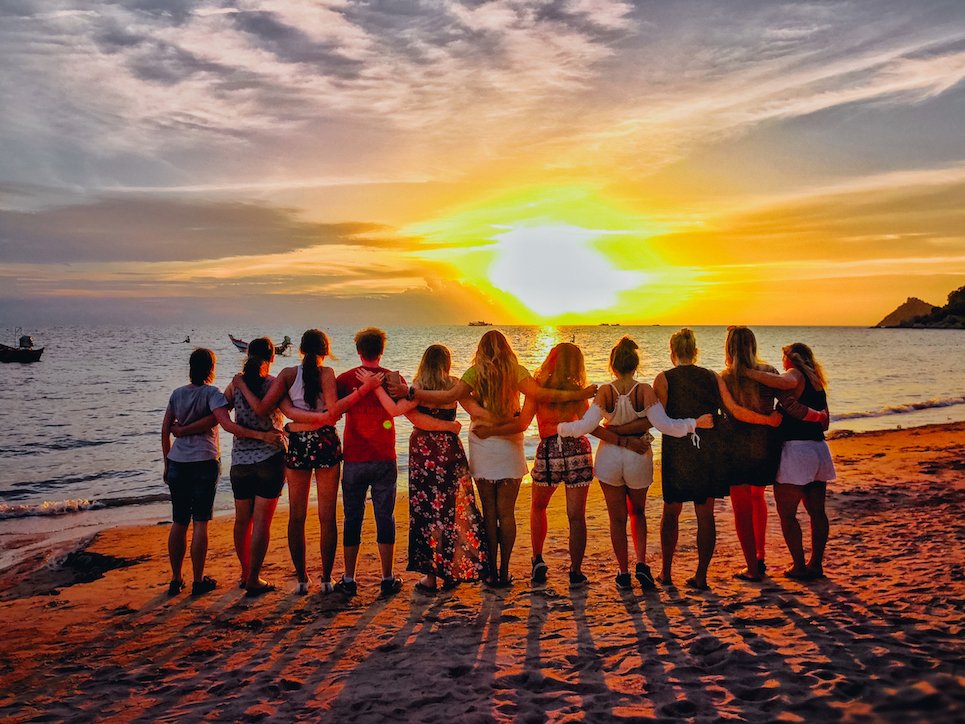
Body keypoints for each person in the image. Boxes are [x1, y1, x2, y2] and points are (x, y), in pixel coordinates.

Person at [392, 330, 595, 587]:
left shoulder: (474, 373)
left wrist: (411, 392)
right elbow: (542, 397)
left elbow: (447, 397)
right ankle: (504, 570)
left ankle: (489, 573)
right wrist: (580, 394)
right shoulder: (517, 371)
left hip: (482, 442)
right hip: (510, 444)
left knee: (489, 512)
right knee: (506, 513)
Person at [556, 336, 714, 591]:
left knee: (616, 518)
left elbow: (586, 426)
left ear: (612, 366)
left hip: (609, 457)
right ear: (635, 364)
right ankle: (641, 563)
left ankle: (623, 572)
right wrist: (694, 423)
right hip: (638, 456)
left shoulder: (606, 390)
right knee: (637, 513)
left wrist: (562, 428)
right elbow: (665, 426)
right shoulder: (644, 391)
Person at [235, 329, 379, 594]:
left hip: (300, 446)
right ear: (325, 350)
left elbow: (270, 407)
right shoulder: (327, 374)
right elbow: (333, 411)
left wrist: (292, 424)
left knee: (296, 517)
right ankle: (326, 579)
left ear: (300, 349)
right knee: (327, 516)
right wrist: (324, 415)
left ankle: (302, 580)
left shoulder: (288, 374)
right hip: (325, 443)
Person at [653, 329, 781, 591]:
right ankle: (701, 576)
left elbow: (661, 422)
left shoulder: (664, 379)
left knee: (671, 513)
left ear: (672, 352)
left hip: (678, 451)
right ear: (696, 351)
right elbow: (732, 409)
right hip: (707, 450)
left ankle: (666, 573)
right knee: (705, 514)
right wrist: (768, 419)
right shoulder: (713, 377)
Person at [335, 328, 459, 597]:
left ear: (358, 351)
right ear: (382, 351)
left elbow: (332, 410)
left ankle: (348, 578)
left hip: (354, 458)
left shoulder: (345, 379)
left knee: (351, 518)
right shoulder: (395, 380)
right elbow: (404, 411)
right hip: (384, 457)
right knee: (385, 517)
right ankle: (387, 577)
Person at [361, 344, 489, 592]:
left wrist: (377, 389)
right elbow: (473, 409)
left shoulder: (417, 388)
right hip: (449, 451)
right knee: (450, 512)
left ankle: (430, 578)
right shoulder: (453, 385)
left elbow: (395, 411)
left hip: (424, 453)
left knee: (426, 515)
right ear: (447, 363)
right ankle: (451, 573)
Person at [161, 348, 284, 597]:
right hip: (203, 461)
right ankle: (197, 580)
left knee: (179, 521)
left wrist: (167, 461)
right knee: (200, 523)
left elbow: (165, 430)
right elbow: (226, 424)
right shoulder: (212, 394)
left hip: (177, 462)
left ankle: (175, 579)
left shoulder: (177, 394)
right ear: (211, 369)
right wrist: (263, 435)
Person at [720, 327, 829, 582]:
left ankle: (754, 568)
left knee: (743, 509)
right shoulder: (769, 372)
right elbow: (789, 403)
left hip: (737, 446)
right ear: (753, 346)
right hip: (765, 447)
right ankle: (762, 556)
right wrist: (817, 416)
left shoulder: (725, 377)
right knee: (760, 499)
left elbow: (731, 410)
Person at [745, 343, 834, 581]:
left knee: (787, 514)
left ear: (790, 358)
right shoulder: (817, 382)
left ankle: (799, 566)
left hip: (796, 450)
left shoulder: (794, 375)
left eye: (783, 357)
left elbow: (781, 383)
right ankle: (816, 564)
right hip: (818, 449)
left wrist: (747, 372)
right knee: (817, 513)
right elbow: (826, 422)